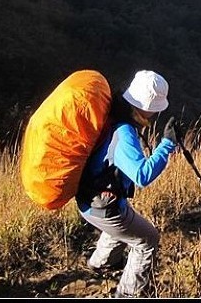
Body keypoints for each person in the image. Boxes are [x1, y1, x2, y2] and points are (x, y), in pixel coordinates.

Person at [76, 70, 179, 298]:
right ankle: (128, 294)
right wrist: (167, 144)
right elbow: (141, 175)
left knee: (126, 221)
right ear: (146, 107)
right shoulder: (124, 134)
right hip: (104, 207)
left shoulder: (111, 117)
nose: (154, 115)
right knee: (147, 239)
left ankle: (100, 263)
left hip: (89, 200)